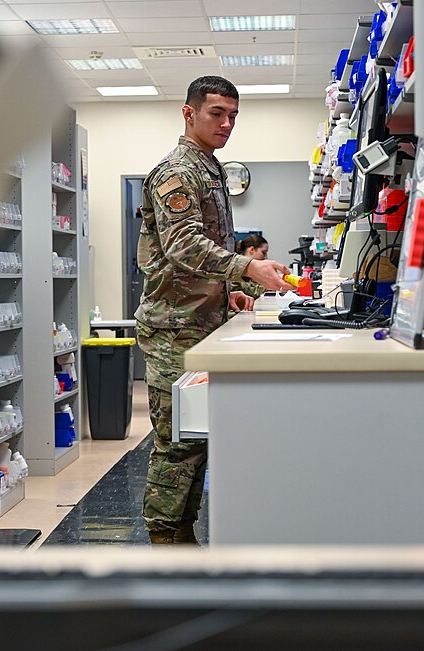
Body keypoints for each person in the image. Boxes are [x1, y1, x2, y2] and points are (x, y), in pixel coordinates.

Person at [134, 76, 292, 545]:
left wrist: (230, 292)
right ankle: (166, 540)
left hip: (202, 323)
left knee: (197, 439)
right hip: (172, 328)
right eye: (216, 113)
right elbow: (183, 245)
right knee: (175, 443)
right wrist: (250, 267)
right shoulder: (177, 172)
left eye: (233, 116)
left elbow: (204, 252)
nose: (226, 124)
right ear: (189, 113)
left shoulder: (210, 169)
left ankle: (183, 535)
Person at [232, 235, 269, 300]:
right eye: (263, 252)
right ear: (252, 249)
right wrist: (269, 285)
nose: (266, 257)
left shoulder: (251, 267)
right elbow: (249, 292)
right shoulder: (237, 266)